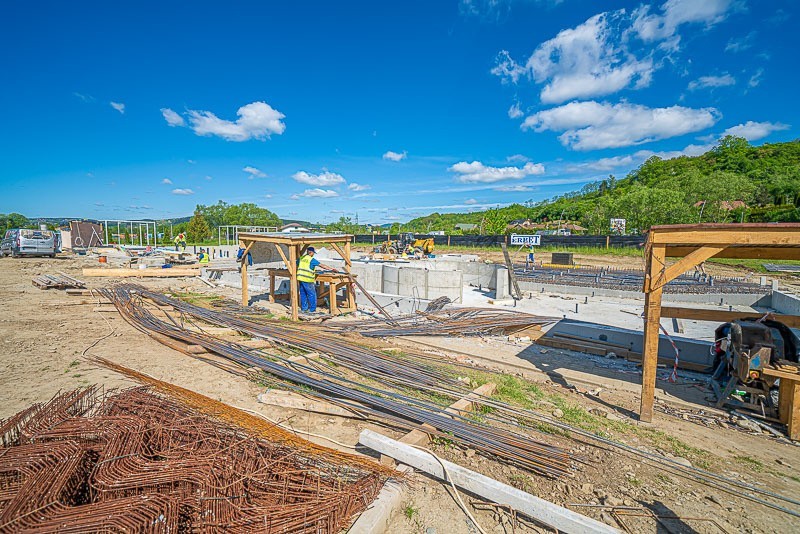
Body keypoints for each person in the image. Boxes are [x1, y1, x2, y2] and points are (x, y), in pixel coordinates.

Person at [296, 246, 338, 314]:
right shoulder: (311, 260)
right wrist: (332, 269)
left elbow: (297, 264)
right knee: (312, 294)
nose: (313, 254)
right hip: (308, 279)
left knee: (303, 294)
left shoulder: (301, 258)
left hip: (300, 278)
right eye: (313, 253)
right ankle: (312, 310)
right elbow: (322, 265)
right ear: (311, 252)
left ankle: (304, 309)